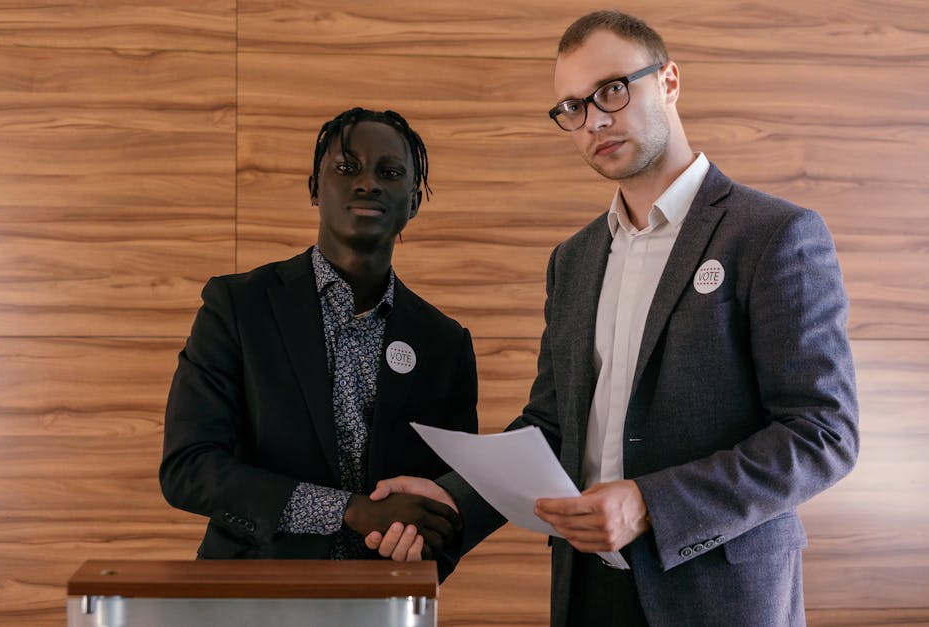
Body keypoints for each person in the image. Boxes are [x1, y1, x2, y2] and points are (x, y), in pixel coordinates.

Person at [366, 10, 859, 626]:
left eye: (612, 91)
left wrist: (651, 504)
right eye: (572, 108)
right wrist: (453, 499)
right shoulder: (572, 260)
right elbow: (551, 427)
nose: (594, 120)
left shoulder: (773, 235)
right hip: (586, 590)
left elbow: (822, 435)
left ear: (669, 81)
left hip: (718, 596)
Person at [159, 107, 477, 578]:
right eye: (347, 168)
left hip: (383, 599)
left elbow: (452, 499)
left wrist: (421, 551)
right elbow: (188, 468)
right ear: (314, 188)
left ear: (413, 202)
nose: (367, 184)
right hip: (249, 593)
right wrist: (348, 509)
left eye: (389, 173)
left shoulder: (444, 343)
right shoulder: (239, 307)